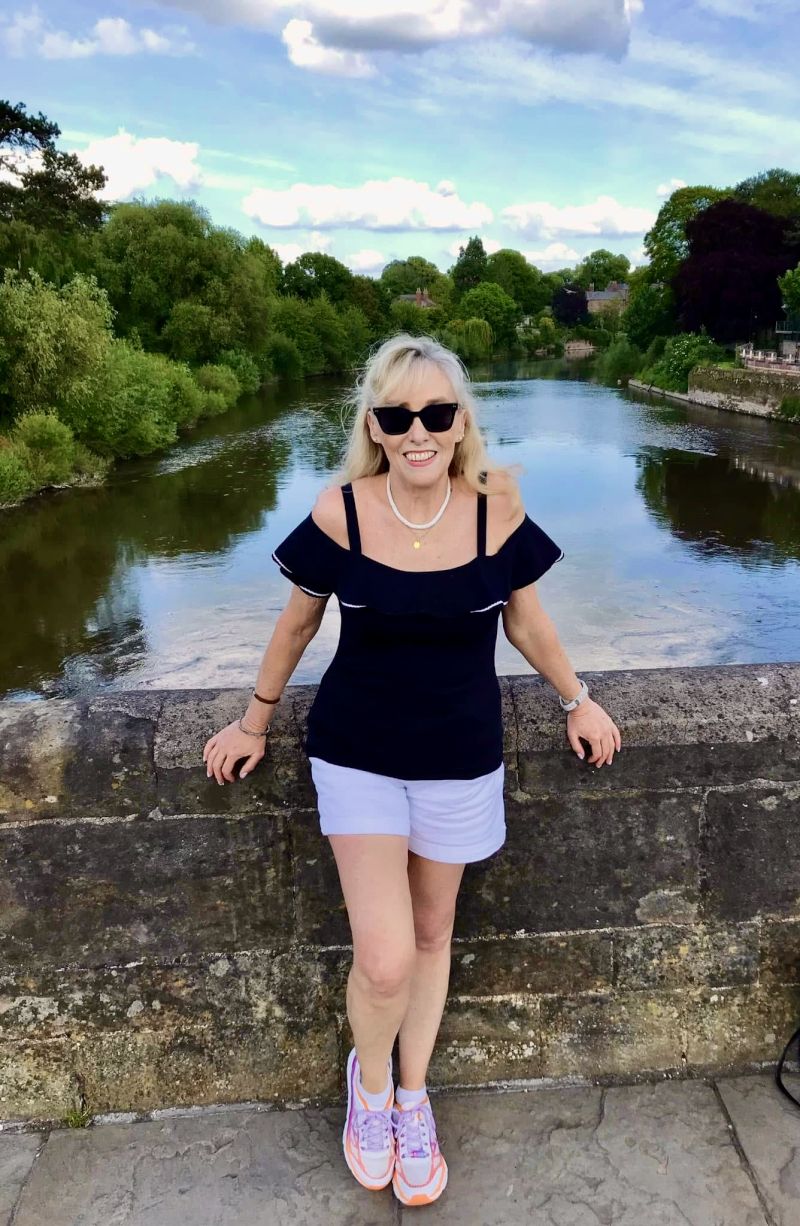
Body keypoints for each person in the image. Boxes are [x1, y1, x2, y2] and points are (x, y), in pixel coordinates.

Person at [202, 333, 622, 1207]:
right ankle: (368, 1090)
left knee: (433, 937)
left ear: (461, 421)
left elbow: (525, 621)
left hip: (459, 758)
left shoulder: (496, 509)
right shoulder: (341, 512)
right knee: (387, 958)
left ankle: (412, 1097)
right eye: (398, 417)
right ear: (375, 426)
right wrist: (253, 720)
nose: (418, 431)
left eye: (436, 413)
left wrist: (578, 698)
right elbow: (296, 626)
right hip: (357, 752)